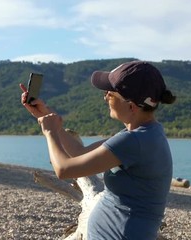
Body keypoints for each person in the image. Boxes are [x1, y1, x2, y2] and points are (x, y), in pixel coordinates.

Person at [20, 60, 176, 239]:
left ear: (131, 105)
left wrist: (49, 132)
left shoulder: (133, 140)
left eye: (110, 93)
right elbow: (79, 152)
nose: (105, 97)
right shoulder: (145, 134)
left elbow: (64, 169)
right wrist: (44, 115)